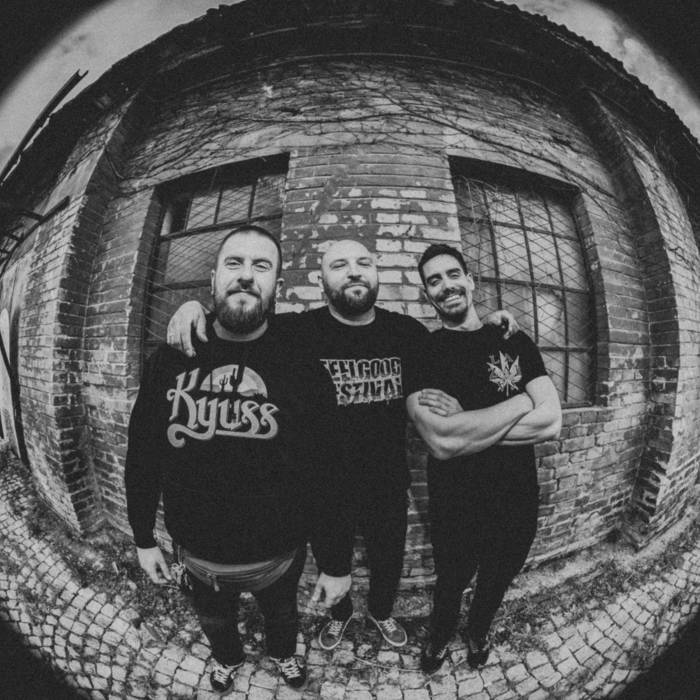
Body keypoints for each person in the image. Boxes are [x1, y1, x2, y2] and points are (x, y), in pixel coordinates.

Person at [166, 238, 520, 652]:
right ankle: (340, 615)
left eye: (363, 262)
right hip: (323, 488)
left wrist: (487, 323)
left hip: (387, 484)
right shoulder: (297, 331)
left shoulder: (405, 333)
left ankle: (381, 613)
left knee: (388, 562)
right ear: (321, 282)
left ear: (375, 273)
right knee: (333, 564)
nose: (353, 271)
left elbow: (453, 341)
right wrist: (196, 309)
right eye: (339, 265)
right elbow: (241, 320)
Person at [125, 225, 348, 693]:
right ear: (212, 280)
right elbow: (143, 453)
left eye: (260, 266)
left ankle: (283, 654)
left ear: (277, 286)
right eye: (234, 263)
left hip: (279, 556)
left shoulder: (302, 363)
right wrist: (143, 538)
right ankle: (227, 658)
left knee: (282, 617)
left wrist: (336, 562)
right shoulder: (172, 357)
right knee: (214, 621)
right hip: (197, 556)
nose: (246, 275)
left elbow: (327, 471)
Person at [407, 244, 562, 674]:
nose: (446, 285)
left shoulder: (512, 339)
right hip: (455, 500)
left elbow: (551, 421)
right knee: (451, 580)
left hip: (516, 497)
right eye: (434, 281)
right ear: (426, 293)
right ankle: (440, 635)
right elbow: (442, 441)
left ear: (470, 280)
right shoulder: (425, 351)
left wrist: (468, 423)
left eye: (452, 274)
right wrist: (520, 402)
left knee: (496, 579)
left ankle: (478, 631)